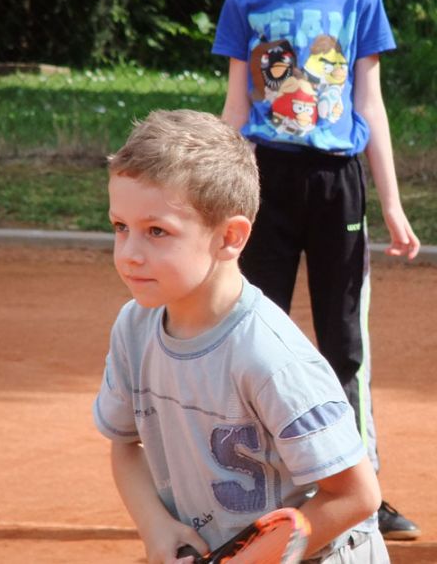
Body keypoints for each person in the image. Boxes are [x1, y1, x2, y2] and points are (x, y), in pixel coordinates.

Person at [91, 109, 388, 564]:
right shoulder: (134, 328)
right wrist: (156, 528)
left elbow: (356, 496)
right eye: (120, 227)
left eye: (156, 231)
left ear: (230, 237)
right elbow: (125, 445)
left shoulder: (270, 358)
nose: (130, 253)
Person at [211, 0, 422, 541]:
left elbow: (370, 104)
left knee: (345, 344)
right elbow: (236, 109)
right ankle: (250, 493)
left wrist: (392, 204)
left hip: (338, 184)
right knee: (252, 337)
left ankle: (363, 493)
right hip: (265, 181)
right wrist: (215, 201)